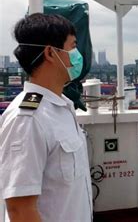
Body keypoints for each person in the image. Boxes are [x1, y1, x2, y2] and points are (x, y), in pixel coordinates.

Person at [0, 13, 92, 221]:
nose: (78, 54)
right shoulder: (28, 119)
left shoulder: (61, 108)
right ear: (51, 53)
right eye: (73, 46)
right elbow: (20, 210)